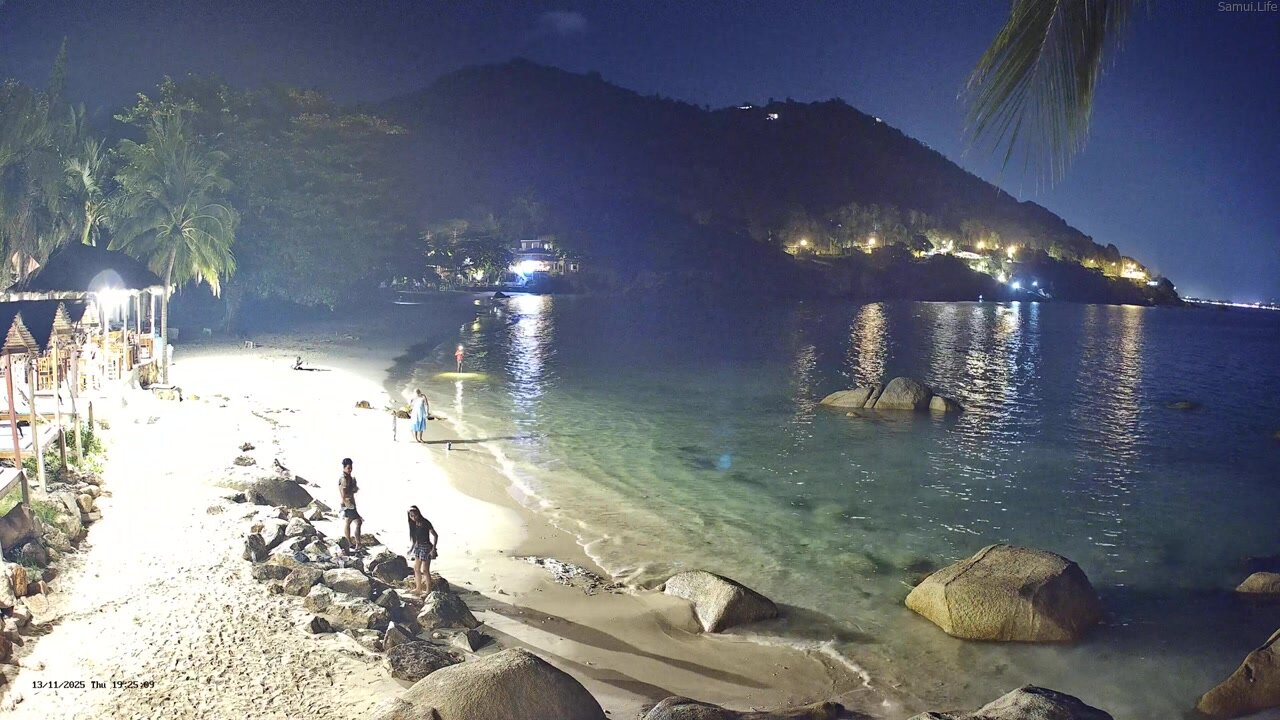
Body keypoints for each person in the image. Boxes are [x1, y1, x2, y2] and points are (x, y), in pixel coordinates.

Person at [407, 505, 439, 593]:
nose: (414, 517)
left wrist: (433, 549)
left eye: (415, 515)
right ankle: (418, 588)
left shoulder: (425, 522)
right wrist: (411, 548)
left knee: (425, 570)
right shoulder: (413, 524)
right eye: (411, 516)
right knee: (416, 568)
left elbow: (435, 535)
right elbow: (415, 539)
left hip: (426, 547)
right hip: (418, 547)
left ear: (419, 513)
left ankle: (428, 591)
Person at [338, 458, 363, 552]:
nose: (350, 469)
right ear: (344, 468)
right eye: (348, 468)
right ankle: (358, 543)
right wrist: (353, 489)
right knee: (358, 522)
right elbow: (344, 493)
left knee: (348, 522)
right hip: (348, 503)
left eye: (351, 468)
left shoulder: (348, 477)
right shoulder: (344, 479)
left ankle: (349, 542)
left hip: (349, 503)